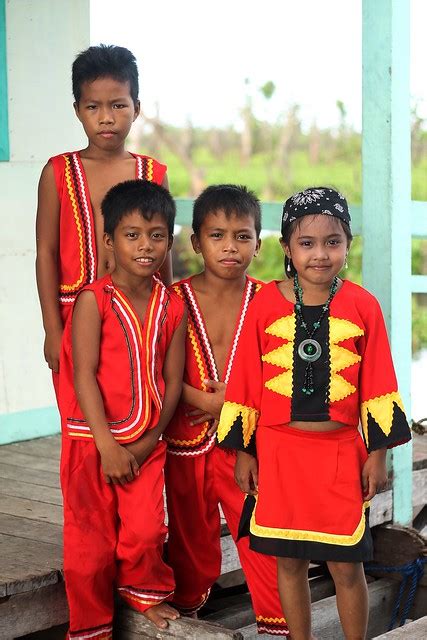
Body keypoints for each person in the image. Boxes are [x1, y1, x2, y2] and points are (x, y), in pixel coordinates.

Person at [217, 187, 412, 640]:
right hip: (279, 453)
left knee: (347, 564)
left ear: (348, 244)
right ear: (286, 247)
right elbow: (245, 378)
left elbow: (378, 380)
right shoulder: (264, 302)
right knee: (290, 561)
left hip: (340, 454)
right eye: (306, 243)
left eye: (333, 242)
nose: (320, 255)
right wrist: (245, 452)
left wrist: (377, 454)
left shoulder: (363, 305)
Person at [58, 180, 186, 639]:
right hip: (91, 442)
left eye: (156, 235)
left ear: (169, 242)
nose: (145, 245)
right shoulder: (94, 300)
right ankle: (91, 627)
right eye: (132, 235)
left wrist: (151, 439)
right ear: (109, 241)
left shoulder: (172, 305)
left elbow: (172, 381)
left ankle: (144, 594)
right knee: (89, 543)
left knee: (148, 531)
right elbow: (82, 375)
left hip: (146, 440)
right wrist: (108, 445)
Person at [164, 185, 289, 636]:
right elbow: (154, 371)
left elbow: (284, 374)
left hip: (249, 446)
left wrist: (233, 405)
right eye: (217, 235)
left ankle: (278, 625)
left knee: (260, 536)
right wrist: (205, 400)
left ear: (260, 243)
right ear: (196, 241)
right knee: (191, 540)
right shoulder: (171, 301)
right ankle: (190, 611)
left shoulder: (272, 303)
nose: (230, 247)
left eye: (242, 236)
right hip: (187, 441)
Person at [36, 44, 171, 389]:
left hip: (141, 313)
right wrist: (53, 329)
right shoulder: (58, 173)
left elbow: (164, 248)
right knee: (82, 416)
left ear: (136, 108)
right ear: (78, 110)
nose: (106, 117)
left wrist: (168, 311)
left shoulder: (152, 173)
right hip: (74, 315)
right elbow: (46, 253)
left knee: (139, 403)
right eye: (93, 106)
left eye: (118, 105)